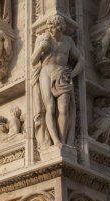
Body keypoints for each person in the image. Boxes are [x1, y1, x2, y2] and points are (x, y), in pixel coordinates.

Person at [31, 14, 84, 149]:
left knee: (64, 108)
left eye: (52, 27)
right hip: (46, 73)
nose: (49, 29)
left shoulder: (68, 42)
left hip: (62, 73)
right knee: (49, 107)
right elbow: (33, 61)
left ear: (60, 28)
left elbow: (81, 60)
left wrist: (72, 74)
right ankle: (56, 141)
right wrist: (40, 49)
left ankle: (64, 140)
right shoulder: (43, 39)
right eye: (49, 26)